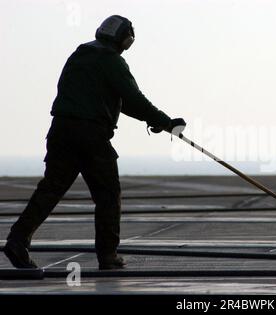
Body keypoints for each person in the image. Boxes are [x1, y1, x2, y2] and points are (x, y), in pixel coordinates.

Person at [3, 15, 186, 270]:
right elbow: (133, 99)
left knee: (50, 190)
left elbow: (115, 100)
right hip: (91, 136)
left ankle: (17, 239)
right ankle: (108, 256)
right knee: (108, 194)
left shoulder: (79, 55)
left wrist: (157, 120)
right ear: (126, 40)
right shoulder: (112, 62)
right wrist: (166, 122)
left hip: (61, 131)